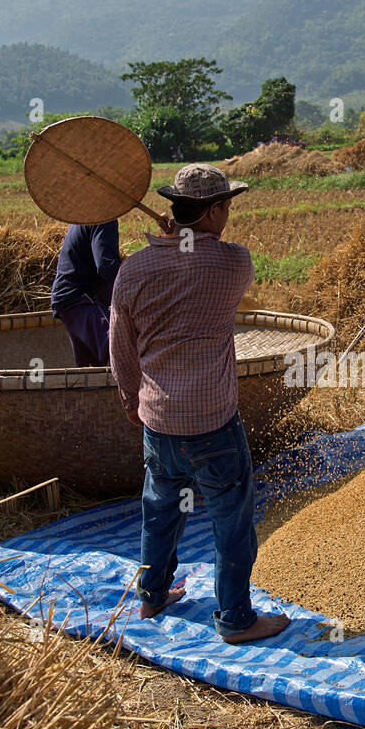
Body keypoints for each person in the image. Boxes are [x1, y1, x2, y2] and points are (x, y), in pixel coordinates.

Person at [109, 163, 291, 639]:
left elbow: (120, 344)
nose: (228, 215)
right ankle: (234, 619)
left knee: (161, 506)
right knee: (231, 519)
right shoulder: (233, 264)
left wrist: (133, 397)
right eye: (226, 207)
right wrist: (185, 241)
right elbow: (209, 258)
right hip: (213, 422)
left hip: (159, 419)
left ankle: (151, 598)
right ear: (212, 210)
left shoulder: (133, 269)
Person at [50, 221, 121, 366]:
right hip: (81, 299)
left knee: (90, 369)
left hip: (68, 300)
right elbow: (106, 266)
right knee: (122, 344)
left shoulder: (86, 218)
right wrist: (130, 291)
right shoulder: (104, 219)